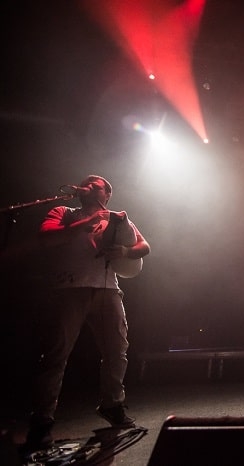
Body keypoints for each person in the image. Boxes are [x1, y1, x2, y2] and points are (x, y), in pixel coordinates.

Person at [23, 175, 150, 452]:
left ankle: (112, 404)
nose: (88, 186)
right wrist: (88, 222)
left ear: (107, 194)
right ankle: (42, 420)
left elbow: (144, 246)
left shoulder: (117, 218)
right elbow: (46, 237)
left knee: (117, 350)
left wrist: (124, 250)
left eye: (96, 184)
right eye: (87, 183)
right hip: (69, 289)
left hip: (108, 289)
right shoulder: (63, 212)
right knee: (56, 354)